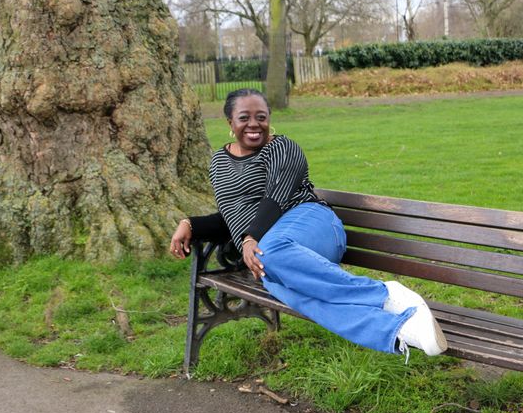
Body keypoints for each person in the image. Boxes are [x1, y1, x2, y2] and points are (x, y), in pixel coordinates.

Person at [170, 88, 447, 359]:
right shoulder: (219, 162)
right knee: (303, 296)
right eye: (244, 117)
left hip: (312, 223)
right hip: (269, 249)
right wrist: (191, 225)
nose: (254, 124)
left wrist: (251, 239)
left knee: (271, 251)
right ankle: (400, 329)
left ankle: (385, 295)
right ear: (230, 122)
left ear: (269, 119)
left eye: (261, 117)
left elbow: (275, 198)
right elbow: (233, 216)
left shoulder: (282, 147)